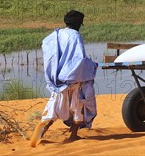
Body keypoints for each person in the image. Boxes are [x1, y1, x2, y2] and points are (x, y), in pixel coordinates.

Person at [30, 10, 97, 147]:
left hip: (58, 81)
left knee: (53, 110)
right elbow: (79, 61)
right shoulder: (76, 36)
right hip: (74, 81)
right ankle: (73, 136)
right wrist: (92, 65)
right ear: (79, 24)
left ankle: (39, 133)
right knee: (79, 108)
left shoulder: (56, 35)